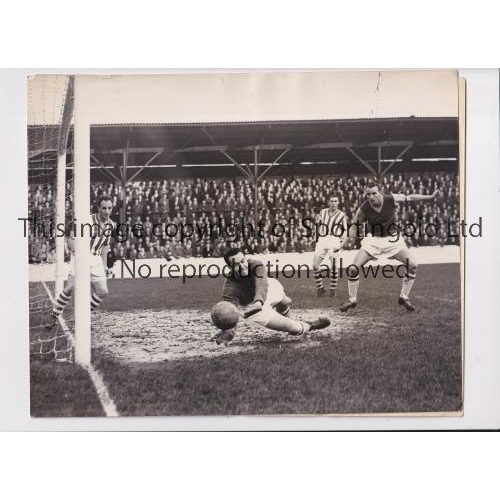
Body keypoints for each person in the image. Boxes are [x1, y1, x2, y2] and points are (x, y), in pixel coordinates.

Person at [339, 181, 441, 312]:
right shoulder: (364, 208)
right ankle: (352, 299)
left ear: (380, 192)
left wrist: (430, 197)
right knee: (353, 269)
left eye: (374, 193)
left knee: (413, 265)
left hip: (393, 239)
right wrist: (342, 244)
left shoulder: (391, 199)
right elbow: (354, 227)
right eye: (368, 194)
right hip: (373, 241)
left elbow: (410, 197)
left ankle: (404, 297)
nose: (371, 197)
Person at [215, 248, 330, 344]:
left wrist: (258, 302)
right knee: (294, 329)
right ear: (230, 268)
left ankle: (285, 311)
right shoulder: (229, 288)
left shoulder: (255, 264)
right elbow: (232, 312)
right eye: (237, 264)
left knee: (285, 301)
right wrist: (229, 331)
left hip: (266, 290)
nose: (242, 266)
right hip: (250, 307)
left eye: (243, 261)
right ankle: (310, 325)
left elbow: (261, 284)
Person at [47, 194, 115, 327]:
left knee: (103, 291)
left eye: (109, 208)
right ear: (98, 208)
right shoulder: (87, 221)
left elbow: (105, 246)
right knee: (71, 287)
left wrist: (106, 265)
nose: (107, 211)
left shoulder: (111, 225)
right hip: (80, 256)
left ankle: (83, 315)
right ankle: (54, 315)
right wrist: (77, 255)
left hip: (96, 259)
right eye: (104, 208)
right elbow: (71, 240)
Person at [312, 195, 347, 297]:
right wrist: (315, 238)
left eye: (335, 201)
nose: (333, 203)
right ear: (328, 202)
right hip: (322, 240)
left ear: (338, 202)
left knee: (334, 266)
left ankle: (333, 289)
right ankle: (320, 288)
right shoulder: (323, 212)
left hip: (334, 239)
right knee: (315, 265)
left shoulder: (342, 215)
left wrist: (341, 244)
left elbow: (344, 231)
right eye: (331, 201)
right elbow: (317, 225)